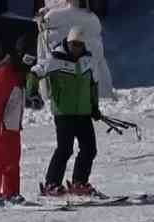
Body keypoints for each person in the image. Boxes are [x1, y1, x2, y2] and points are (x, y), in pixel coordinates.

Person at [31, 27, 104, 198]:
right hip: (63, 113)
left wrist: (95, 107)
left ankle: (79, 183)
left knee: (89, 149)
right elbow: (35, 73)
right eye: (73, 44)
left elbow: (93, 85)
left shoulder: (88, 60)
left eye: (79, 44)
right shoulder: (55, 59)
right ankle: (51, 184)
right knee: (65, 149)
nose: (76, 47)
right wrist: (32, 92)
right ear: (68, 42)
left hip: (83, 113)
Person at [0, 39, 32, 206]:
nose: (30, 62)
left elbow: (15, 97)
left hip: (12, 124)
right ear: (20, 54)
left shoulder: (19, 71)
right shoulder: (7, 70)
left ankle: (11, 193)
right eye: (28, 57)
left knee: (13, 160)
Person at [38, 0, 113, 99]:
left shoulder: (51, 23)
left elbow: (43, 62)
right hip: (96, 92)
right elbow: (99, 62)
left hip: (61, 97)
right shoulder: (93, 20)